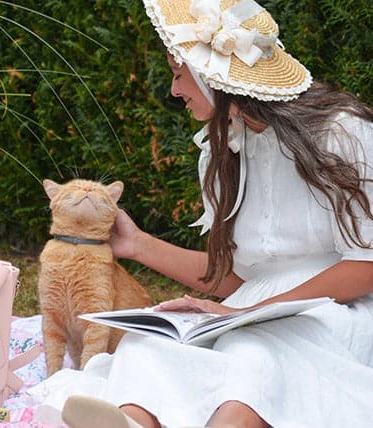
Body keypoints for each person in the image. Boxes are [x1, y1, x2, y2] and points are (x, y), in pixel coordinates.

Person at [29, 0, 373, 427]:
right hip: (252, 309)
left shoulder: (343, 134)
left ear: (214, 77)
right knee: (147, 345)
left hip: (337, 313)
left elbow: (366, 267)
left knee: (255, 353)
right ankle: (132, 421)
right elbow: (238, 277)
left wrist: (242, 313)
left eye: (179, 73)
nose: (175, 90)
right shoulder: (222, 151)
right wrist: (137, 245)